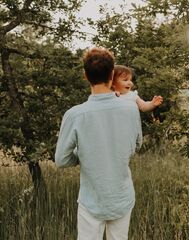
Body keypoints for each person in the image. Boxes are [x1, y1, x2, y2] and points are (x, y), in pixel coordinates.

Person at [55, 47, 142, 240]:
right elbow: (136, 146)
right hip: (122, 196)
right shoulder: (131, 108)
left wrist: (83, 153)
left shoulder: (75, 114)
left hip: (91, 200)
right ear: (112, 74)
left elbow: (61, 160)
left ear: (86, 75)